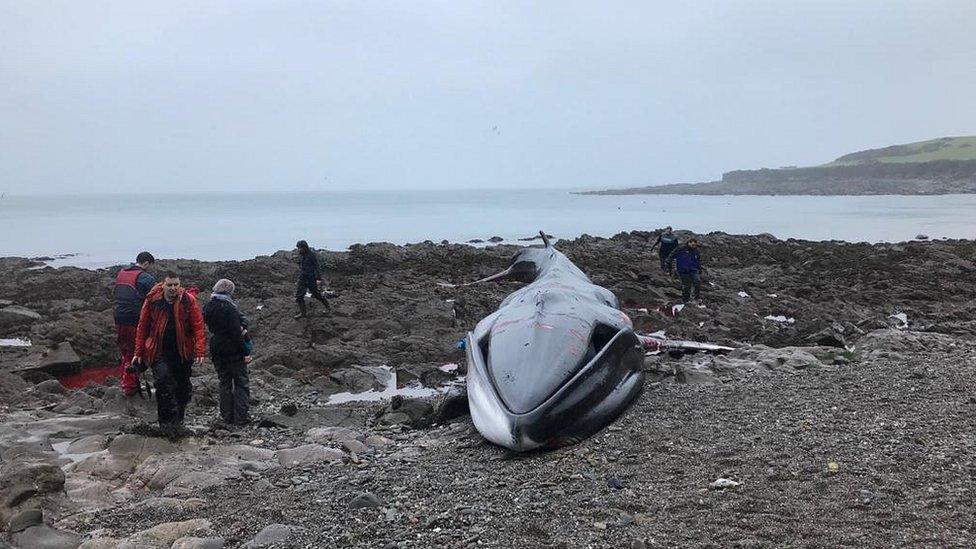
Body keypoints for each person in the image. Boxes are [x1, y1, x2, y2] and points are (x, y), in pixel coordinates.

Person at [131, 272, 205, 428]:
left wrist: (199, 351)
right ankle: (165, 424)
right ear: (163, 285)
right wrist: (138, 353)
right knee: (163, 384)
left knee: (182, 387)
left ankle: (179, 420)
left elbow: (198, 326)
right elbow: (142, 327)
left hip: (182, 351)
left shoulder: (188, 300)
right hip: (158, 351)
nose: (173, 288)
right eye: (170, 285)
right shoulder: (152, 301)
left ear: (180, 284)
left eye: (176, 285)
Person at [203, 279, 252, 426]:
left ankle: (227, 416)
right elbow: (235, 333)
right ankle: (241, 418)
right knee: (241, 382)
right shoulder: (229, 307)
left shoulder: (208, 307)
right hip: (232, 348)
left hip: (216, 347)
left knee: (224, 382)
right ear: (230, 291)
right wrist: (245, 351)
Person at [112, 251, 156, 396]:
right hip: (134, 318)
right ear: (146, 263)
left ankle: (127, 382)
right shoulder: (145, 277)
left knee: (125, 350)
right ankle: (130, 385)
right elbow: (156, 296)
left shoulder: (122, 273)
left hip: (118, 316)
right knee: (136, 351)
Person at [294, 240, 329, 319]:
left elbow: (316, 267)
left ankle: (328, 307)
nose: (299, 250)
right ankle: (303, 313)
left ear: (305, 247)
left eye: (300, 248)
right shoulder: (301, 255)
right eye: (298, 248)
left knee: (316, 294)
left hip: (311, 278)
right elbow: (302, 267)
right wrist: (299, 278)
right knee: (299, 296)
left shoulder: (312, 255)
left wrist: (318, 279)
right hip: (302, 278)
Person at [667, 237, 704, 303]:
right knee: (687, 285)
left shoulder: (696, 251)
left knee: (697, 282)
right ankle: (686, 300)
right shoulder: (681, 249)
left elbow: (698, 261)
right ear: (689, 243)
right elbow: (672, 255)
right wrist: (668, 262)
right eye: (693, 245)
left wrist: (700, 268)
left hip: (693, 270)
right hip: (683, 270)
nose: (694, 246)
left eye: (695, 245)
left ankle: (696, 297)